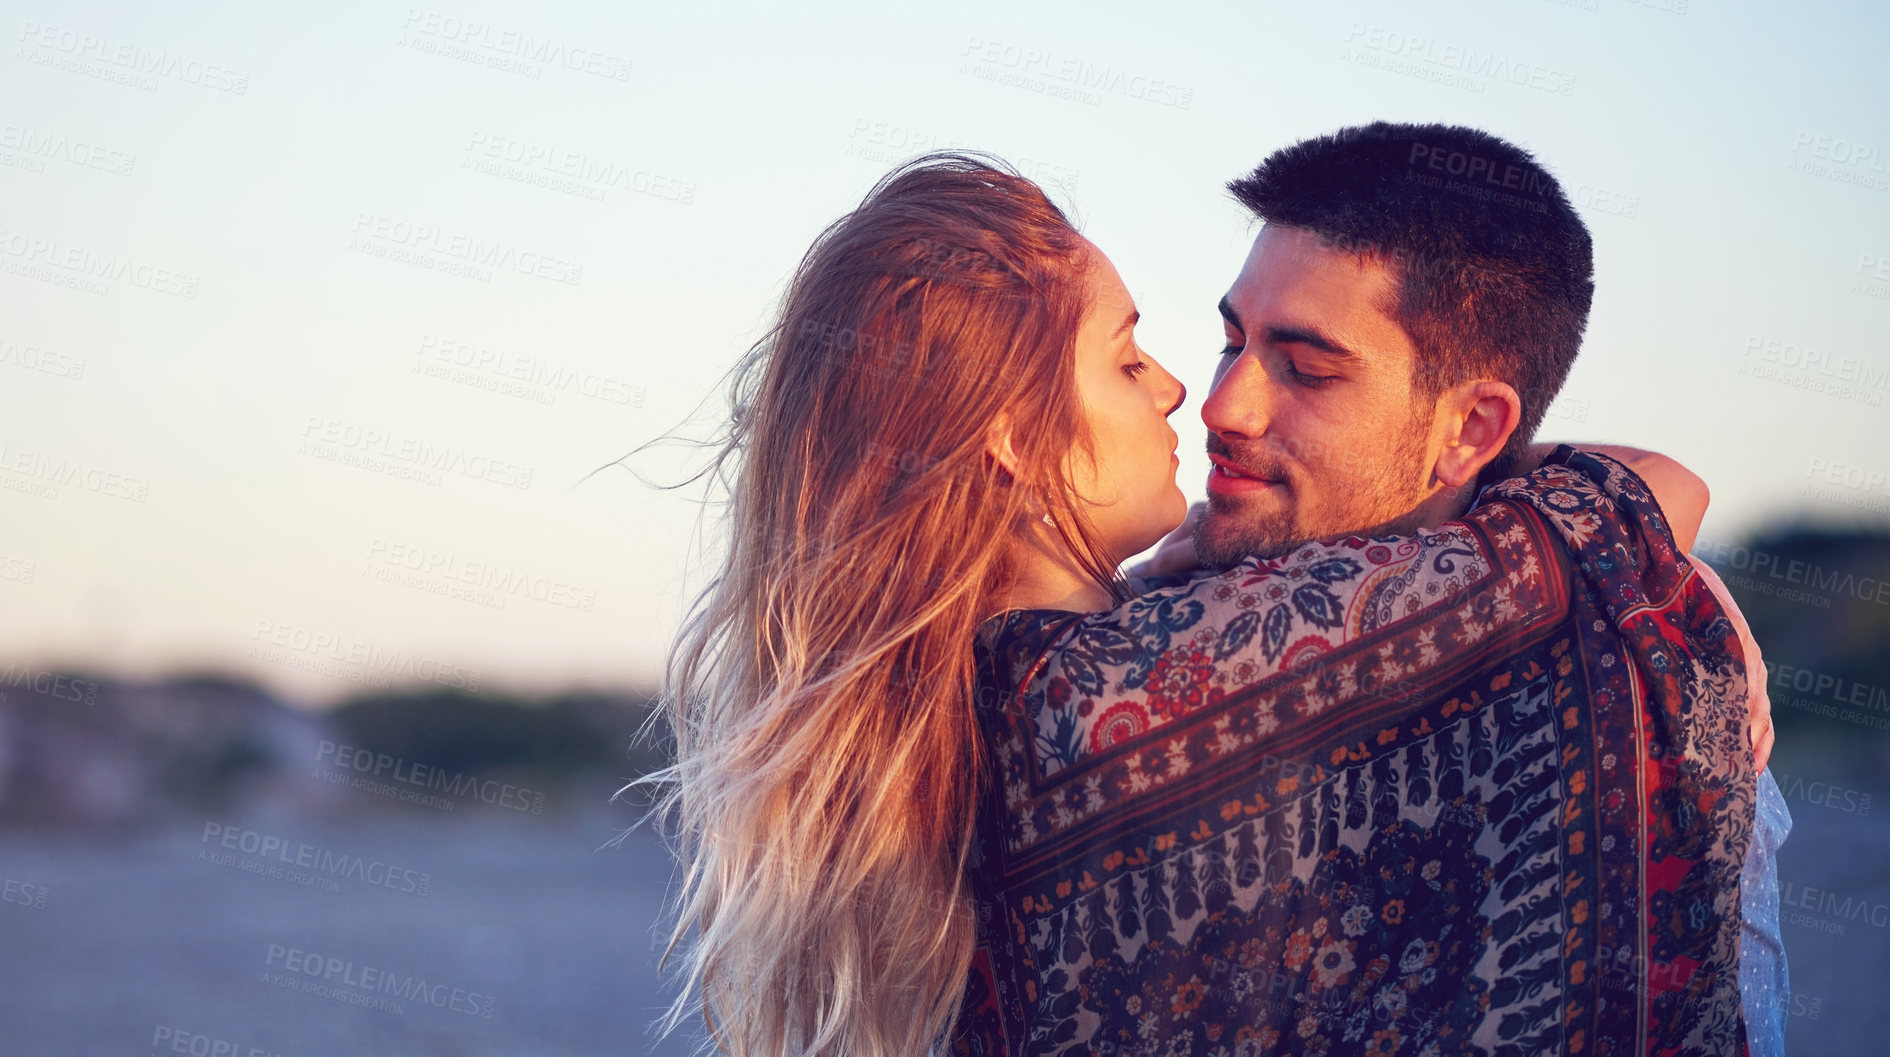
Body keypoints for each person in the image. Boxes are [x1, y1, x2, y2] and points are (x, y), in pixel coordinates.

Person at [630, 149, 1753, 1057]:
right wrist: (1631, 555)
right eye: (1130, 362)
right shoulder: (1129, 682)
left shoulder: (959, 685)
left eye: (1298, 363)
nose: (1196, 393)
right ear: (1015, 439)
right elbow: (1661, 488)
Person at [1126, 121, 1784, 1056]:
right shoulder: (1133, 635)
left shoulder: (1672, 721)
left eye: (1306, 369)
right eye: (1234, 340)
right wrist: (1629, 520)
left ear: (1473, 429)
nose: (1222, 405)